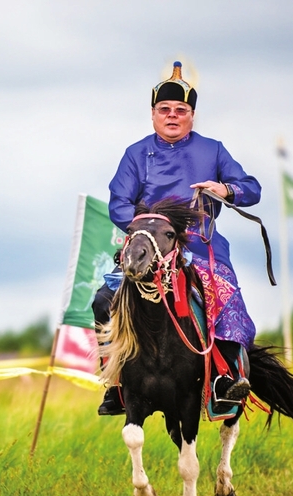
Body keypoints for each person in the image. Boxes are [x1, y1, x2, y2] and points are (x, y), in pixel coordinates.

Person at [94, 61, 259, 416]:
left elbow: (252, 189)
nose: (172, 116)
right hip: (148, 251)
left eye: (180, 111)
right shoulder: (135, 154)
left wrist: (225, 188)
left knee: (227, 302)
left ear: (192, 116)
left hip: (201, 249)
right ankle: (115, 383)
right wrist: (149, 230)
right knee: (102, 299)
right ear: (153, 114)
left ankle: (225, 381)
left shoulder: (213, 150)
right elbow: (118, 203)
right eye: (164, 110)